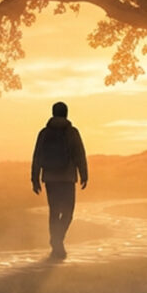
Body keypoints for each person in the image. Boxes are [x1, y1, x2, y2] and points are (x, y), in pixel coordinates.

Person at [31, 101, 88, 260]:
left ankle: (56, 241)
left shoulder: (44, 133)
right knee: (68, 213)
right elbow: (80, 154)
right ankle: (58, 239)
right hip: (68, 178)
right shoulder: (72, 132)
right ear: (66, 113)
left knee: (54, 212)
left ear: (53, 113)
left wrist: (34, 178)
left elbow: (37, 156)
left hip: (50, 178)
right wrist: (84, 174)